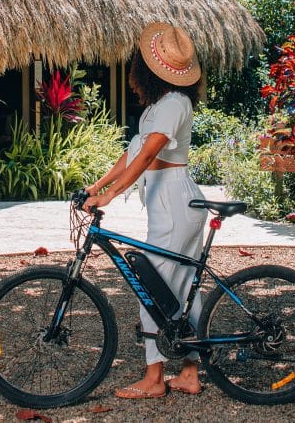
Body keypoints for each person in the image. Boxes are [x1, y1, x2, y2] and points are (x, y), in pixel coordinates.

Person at [82, 22, 206, 399]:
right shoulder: (160, 105)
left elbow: (151, 152)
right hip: (170, 201)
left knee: (148, 287)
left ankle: (154, 379)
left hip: (173, 201)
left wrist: (112, 195)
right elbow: (133, 152)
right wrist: (97, 186)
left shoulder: (174, 104)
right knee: (184, 289)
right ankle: (188, 373)